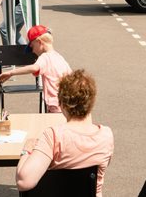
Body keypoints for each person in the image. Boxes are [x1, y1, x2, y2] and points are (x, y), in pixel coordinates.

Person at [16, 69, 114, 197]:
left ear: (61, 104)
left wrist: (26, 151)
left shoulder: (54, 136)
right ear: (91, 101)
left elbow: (24, 181)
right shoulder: (106, 135)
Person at [0, 25, 72, 113]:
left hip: (55, 103)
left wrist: (11, 73)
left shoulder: (45, 57)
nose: (32, 51)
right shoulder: (59, 57)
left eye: (32, 46)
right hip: (67, 100)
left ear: (39, 42)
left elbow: (34, 67)